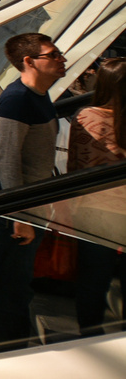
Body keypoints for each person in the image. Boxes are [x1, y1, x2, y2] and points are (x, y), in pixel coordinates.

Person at [0, 32, 65, 343]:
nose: (62, 59)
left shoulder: (39, 94)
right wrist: (21, 216)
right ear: (29, 61)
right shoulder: (16, 100)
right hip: (17, 204)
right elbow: (6, 161)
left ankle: (14, 337)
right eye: (53, 54)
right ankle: (7, 343)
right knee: (11, 278)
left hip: (32, 198)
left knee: (18, 276)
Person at [70, 57, 126, 335]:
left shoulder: (85, 116)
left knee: (94, 278)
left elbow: (76, 167)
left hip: (95, 211)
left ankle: (89, 333)